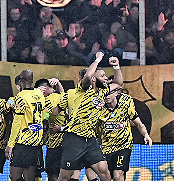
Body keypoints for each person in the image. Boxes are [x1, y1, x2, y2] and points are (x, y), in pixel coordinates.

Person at [56, 52, 123, 181]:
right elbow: (87, 75)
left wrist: (116, 67)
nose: (106, 78)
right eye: (102, 76)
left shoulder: (103, 92)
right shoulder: (84, 89)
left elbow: (119, 83)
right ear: (93, 79)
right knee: (65, 177)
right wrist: (97, 59)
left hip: (90, 138)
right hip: (74, 138)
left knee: (104, 171)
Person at [98, 83, 153, 181]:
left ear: (116, 93)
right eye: (105, 93)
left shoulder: (125, 105)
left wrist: (146, 135)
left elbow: (139, 124)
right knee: (108, 177)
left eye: (109, 93)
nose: (106, 96)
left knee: (117, 175)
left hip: (124, 146)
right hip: (107, 148)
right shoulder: (99, 109)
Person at [7, 70, 50, 181]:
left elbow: (17, 122)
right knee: (30, 177)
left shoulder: (20, 97)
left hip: (23, 142)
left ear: (20, 80)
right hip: (37, 142)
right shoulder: (39, 94)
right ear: (32, 80)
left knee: (14, 176)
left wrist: (10, 144)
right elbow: (44, 115)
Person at [37, 78, 66, 181]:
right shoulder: (63, 96)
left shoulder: (48, 100)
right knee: (66, 174)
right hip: (67, 142)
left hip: (54, 144)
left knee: (53, 175)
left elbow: (44, 121)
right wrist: (58, 82)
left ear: (44, 89)